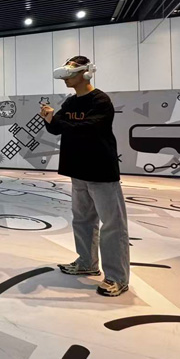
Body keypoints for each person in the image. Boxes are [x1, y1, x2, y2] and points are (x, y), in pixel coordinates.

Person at [39, 56, 130, 297]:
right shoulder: (71, 102)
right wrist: (49, 119)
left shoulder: (100, 101)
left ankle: (117, 277)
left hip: (101, 171)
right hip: (77, 170)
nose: (66, 79)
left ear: (85, 73)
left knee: (113, 225)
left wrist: (57, 121)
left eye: (71, 74)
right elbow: (57, 128)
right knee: (82, 220)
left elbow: (88, 129)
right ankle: (86, 262)